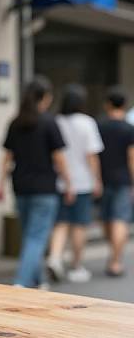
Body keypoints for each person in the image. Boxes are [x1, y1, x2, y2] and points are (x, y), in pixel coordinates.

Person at [0, 76, 74, 288]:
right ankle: (21, 282)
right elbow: (59, 158)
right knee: (37, 237)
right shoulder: (49, 122)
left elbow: (7, 157)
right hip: (45, 188)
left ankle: (38, 281)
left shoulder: (15, 122)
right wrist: (69, 184)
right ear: (45, 98)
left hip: (20, 186)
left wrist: (0, 186)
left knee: (30, 235)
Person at [46, 84, 103, 283]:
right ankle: (77, 266)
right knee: (80, 224)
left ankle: (55, 257)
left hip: (58, 180)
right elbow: (92, 156)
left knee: (60, 223)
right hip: (83, 181)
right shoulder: (87, 123)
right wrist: (97, 180)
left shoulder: (55, 121)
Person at [97, 86, 134, 277]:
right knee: (120, 219)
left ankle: (113, 255)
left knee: (107, 219)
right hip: (123, 179)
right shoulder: (129, 128)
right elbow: (132, 158)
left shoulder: (99, 126)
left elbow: (94, 155)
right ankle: (115, 261)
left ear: (108, 104)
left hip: (103, 179)